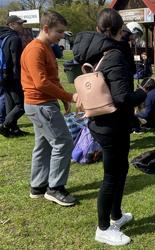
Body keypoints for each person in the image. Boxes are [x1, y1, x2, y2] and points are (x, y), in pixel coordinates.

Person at [72, 8, 147, 246]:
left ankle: (116, 215)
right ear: (118, 29)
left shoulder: (97, 51)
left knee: (121, 169)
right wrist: (144, 92)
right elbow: (123, 97)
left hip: (104, 121)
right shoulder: (113, 55)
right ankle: (103, 228)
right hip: (110, 124)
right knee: (111, 177)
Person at [21, 11, 77, 206]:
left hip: (43, 104)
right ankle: (55, 188)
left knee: (43, 144)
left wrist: (63, 99)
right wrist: (70, 96)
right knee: (63, 142)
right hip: (40, 104)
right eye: (59, 31)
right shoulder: (35, 49)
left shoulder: (46, 48)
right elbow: (41, 83)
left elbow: (52, 80)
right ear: (46, 29)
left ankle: (37, 186)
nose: (62, 35)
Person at [0, 15, 27, 137]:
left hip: (2, 75)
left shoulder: (3, 37)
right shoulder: (14, 38)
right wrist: (20, 77)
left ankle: (14, 129)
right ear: (11, 25)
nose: (22, 26)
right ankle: (5, 126)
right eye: (19, 24)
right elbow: (16, 60)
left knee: (10, 102)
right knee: (21, 105)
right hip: (13, 76)